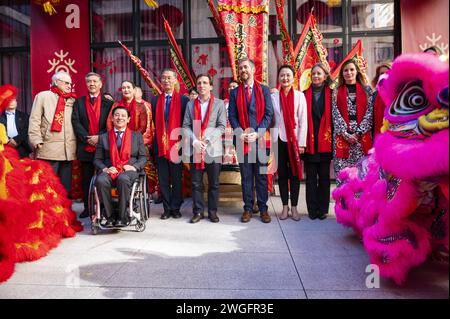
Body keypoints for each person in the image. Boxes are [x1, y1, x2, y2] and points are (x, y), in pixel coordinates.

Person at [228, 58, 274, 223]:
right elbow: (231, 115)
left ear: (253, 70)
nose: (243, 70)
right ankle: (248, 208)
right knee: (246, 177)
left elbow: (269, 114)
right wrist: (239, 132)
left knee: (261, 176)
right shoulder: (234, 92)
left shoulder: (264, 90)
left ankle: (263, 209)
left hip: (260, 140)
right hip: (242, 140)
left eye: (246, 67)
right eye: (240, 68)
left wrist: (258, 133)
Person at [182, 74, 226, 223]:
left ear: (211, 86)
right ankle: (198, 212)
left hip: (213, 148)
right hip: (195, 149)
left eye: (205, 83)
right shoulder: (190, 104)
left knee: (213, 183)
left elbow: (222, 126)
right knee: (196, 184)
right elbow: (186, 126)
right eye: (199, 83)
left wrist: (206, 140)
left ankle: (212, 212)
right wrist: (194, 141)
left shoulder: (219, 104)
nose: (201, 85)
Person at [93, 106, 147, 227]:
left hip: (129, 170)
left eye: (123, 116)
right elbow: (97, 159)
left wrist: (134, 167)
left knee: (123, 179)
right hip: (110, 169)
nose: (120, 118)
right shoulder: (104, 137)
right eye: (117, 115)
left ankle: (123, 217)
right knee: (100, 180)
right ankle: (109, 216)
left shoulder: (136, 136)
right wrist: (105, 169)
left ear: (128, 119)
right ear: (112, 118)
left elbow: (143, 157)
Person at [72, 72, 114, 218]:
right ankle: (87, 207)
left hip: (104, 147)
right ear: (86, 84)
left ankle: (104, 206)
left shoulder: (109, 103)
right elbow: (75, 122)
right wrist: (87, 138)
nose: (92, 84)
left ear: (100, 84)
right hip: (85, 146)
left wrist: (99, 138)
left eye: (95, 81)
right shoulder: (79, 102)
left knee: (104, 178)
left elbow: (110, 123)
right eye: (89, 81)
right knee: (86, 179)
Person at [28, 71, 77, 194]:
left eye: (70, 83)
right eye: (66, 83)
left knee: (65, 188)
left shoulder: (72, 99)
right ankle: (47, 213)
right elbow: (35, 119)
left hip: (68, 149)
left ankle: (63, 212)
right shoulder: (43, 96)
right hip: (48, 146)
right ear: (56, 82)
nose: (69, 86)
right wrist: (36, 140)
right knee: (47, 185)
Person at [151, 68, 189, 220]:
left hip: (177, 146)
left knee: (176, 179)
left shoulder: (184, 100)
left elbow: (187, 124)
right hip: (160, 146)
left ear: (175, 80)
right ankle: (166, 209)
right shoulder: (155, 100)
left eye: (169, 78)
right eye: (163, 78)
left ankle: (175, 208)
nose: (166, 80)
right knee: (164, 179)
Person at [271, 65, 307, 221]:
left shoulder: (299, 96)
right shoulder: (273, 97)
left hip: (295, 140)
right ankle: (284, 207)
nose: (285, 78)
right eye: (282, 75)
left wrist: (302, 143)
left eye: (288, 75)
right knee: (282, 175)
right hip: (278, 139)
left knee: (295, 174)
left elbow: (303, 120)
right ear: (278, 78)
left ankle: (294, 207)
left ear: (293, 78)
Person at [332, 59, 374, 184]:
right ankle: (344, 203)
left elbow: (370, 113)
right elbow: (335, 114)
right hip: (342, 136)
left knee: (362, 175)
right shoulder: (336, 91)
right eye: (346, 70)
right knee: (344, 177)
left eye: (351, 69)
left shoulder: (367, 91)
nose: (349, 73)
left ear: (357, 71)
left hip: (362, 138)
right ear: (342, 73)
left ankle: (361, 204)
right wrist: (346, 134)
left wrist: (358, 133)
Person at [303, 63, 333, 220]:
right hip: (309, 142)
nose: (315, 76)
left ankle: (322, 209)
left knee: (324, 177)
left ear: (325, 76)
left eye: (318, 73)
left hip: (325, 142)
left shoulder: (332, 95)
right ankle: (312, 210)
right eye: (313, 73)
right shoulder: (303, 95)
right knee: (310, 178)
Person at [0, 85, 32, 158]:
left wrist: (16, 140)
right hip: (4, 148)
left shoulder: (24, 116)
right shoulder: (0, 116)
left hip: (21, 146)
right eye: (9, 100)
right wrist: (8, 141)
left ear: (16, 102)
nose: (11, 102)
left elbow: (26, 130)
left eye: (13, 100)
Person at [371, 62, 391, 138]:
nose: (384, 75)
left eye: (387, 73)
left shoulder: (400, 94)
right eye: (381, 73)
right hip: (378, 136)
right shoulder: (373, 96)